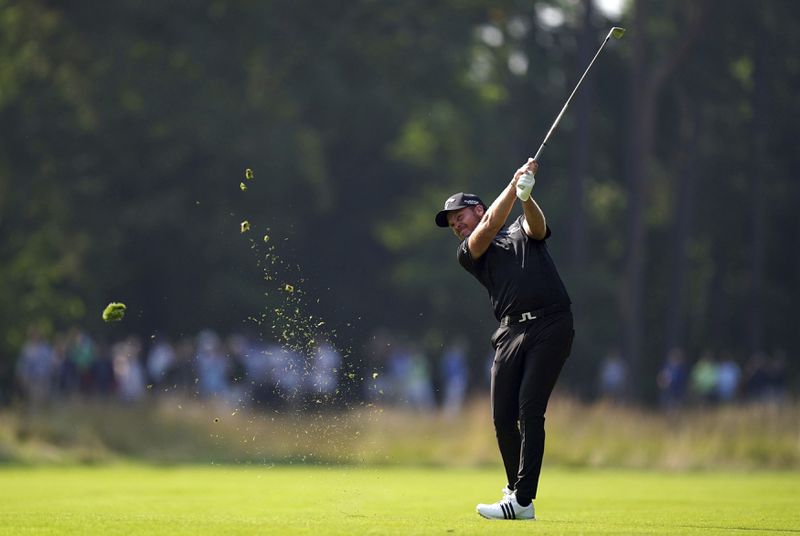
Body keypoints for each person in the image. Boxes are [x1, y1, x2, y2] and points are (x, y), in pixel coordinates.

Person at [435, 158, 573, 521]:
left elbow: (538, 228)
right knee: (501, 417)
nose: (456, 226)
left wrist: (526, 195)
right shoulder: (470, 252)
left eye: (459, 217)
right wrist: (515, 186)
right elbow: (490, 226)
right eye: (451, 224)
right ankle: (516, 492)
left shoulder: (519, 230)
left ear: (477, 208)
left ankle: (522, 500)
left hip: (551, 323)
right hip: (510, 331)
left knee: (530, 410)